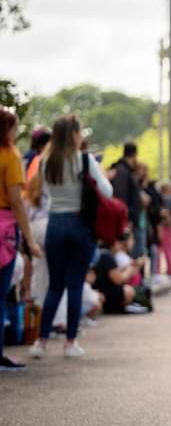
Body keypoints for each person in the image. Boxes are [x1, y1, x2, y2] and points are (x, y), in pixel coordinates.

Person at [27, 114, 110, 361]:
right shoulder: (84, 159)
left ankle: (41, 342)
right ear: (74, 133)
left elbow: (40, 193)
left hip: (54, 223)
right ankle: (70, 342)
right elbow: (107, 191)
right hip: (78, 224)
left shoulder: (45, 161)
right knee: (74, 285)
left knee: (55, 285)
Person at [0, 110, 43, 370]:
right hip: (4, 226)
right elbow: (16, 199)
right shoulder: (11, 156)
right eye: (14, 129)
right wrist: (29, 239)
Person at [91, 230, 149, 314]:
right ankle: (116, 307)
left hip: (103, 289)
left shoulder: (107, 254)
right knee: (129, 291)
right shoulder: (107, 256)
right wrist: (130, 269)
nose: (121, 244)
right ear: (115, 242)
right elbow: (118, 279)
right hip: (105, 292)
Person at [110, 142, 144, 258]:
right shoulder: (122, 171)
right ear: (134, 155)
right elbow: (120, 196)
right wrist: (127, 217)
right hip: (126, 220)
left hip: (128, 219)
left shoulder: (124, 171)